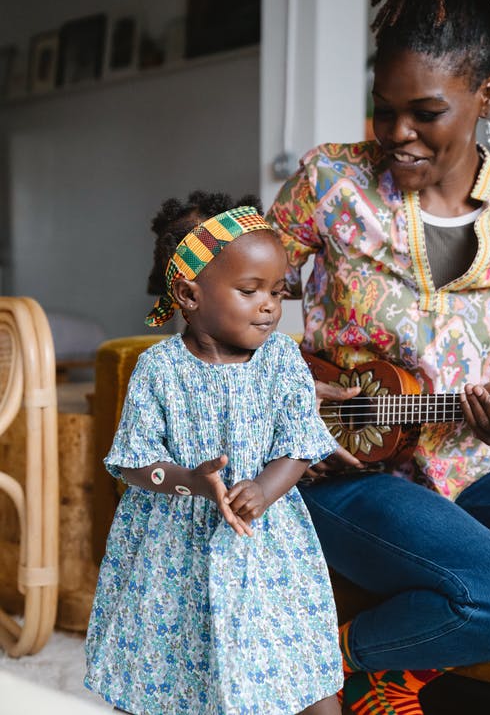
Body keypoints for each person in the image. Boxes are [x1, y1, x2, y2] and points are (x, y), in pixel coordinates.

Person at [266, 0, 490, 713]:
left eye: (424, 113)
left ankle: (390, 666)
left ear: (486, 97)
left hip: (471, 464)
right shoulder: (330, 183)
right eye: (384, 110)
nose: (397, 134)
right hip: (342, 469)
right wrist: (277, 376)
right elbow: (219, 297)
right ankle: (333, 659)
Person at [84, 192, 348, 715]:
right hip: (170, 548)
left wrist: (267, 489)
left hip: (266, 540)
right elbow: (134, 460)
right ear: (188, 295)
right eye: (250, 291)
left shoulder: (282, 359)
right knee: (163, 661)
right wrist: (191, 481)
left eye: (277, 291)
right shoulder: (158, 368)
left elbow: (301, 441)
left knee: (300, 658)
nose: (270, 305)